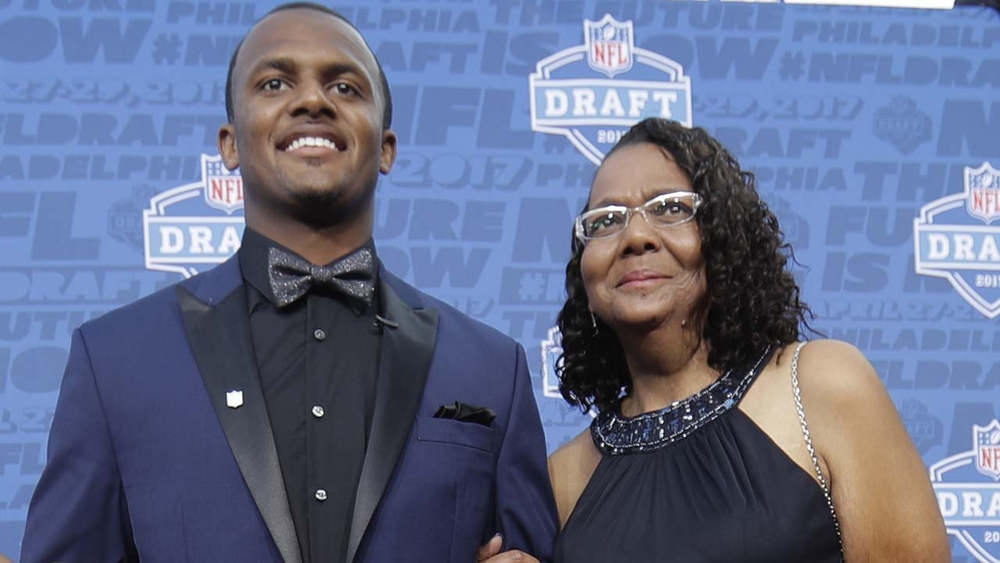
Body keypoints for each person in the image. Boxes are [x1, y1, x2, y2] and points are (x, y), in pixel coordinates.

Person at [21, 3, 557, 562]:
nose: (313, 101)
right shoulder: (115, 360)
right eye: (275, 83)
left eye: (345, 87)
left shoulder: (492, 369)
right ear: (229, 144)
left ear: (386, 148)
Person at [547, 118, 950, 562]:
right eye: (606, 220)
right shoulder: (563, 478)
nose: (636, 236)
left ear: (723, 236)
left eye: (670, 208)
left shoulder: (822, 388)